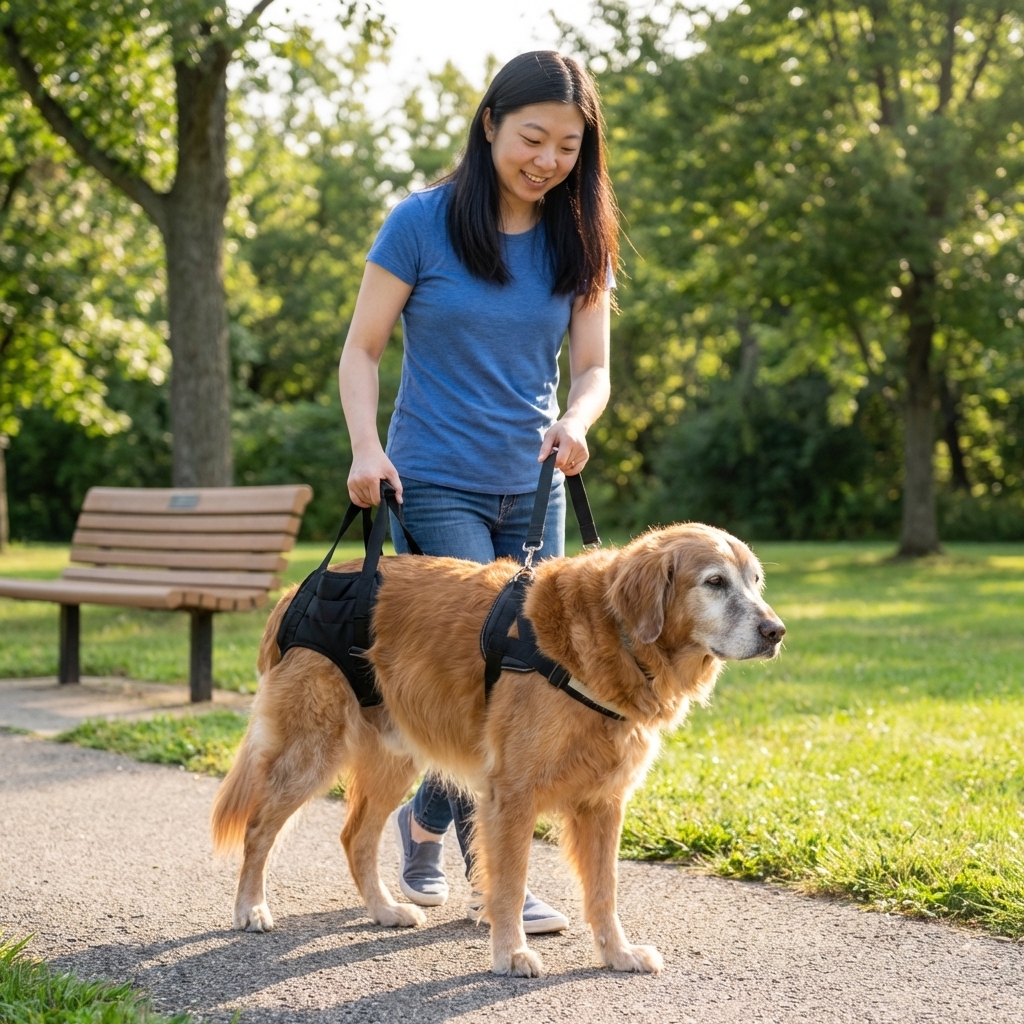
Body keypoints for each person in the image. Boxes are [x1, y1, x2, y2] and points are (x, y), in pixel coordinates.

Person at [338, 50, 618, 934]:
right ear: (491, 123)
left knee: (539, 682)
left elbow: (596, 367)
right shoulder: (419, 223)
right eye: (532, 137)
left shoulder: (581, 236)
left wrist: (578, 421)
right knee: (487, 674)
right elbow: (362, 349)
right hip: (438, 480)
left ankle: (426, 822)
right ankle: (497, 885)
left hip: (533, 486)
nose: (547, 160)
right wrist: (365, 447)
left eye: (568, 146)